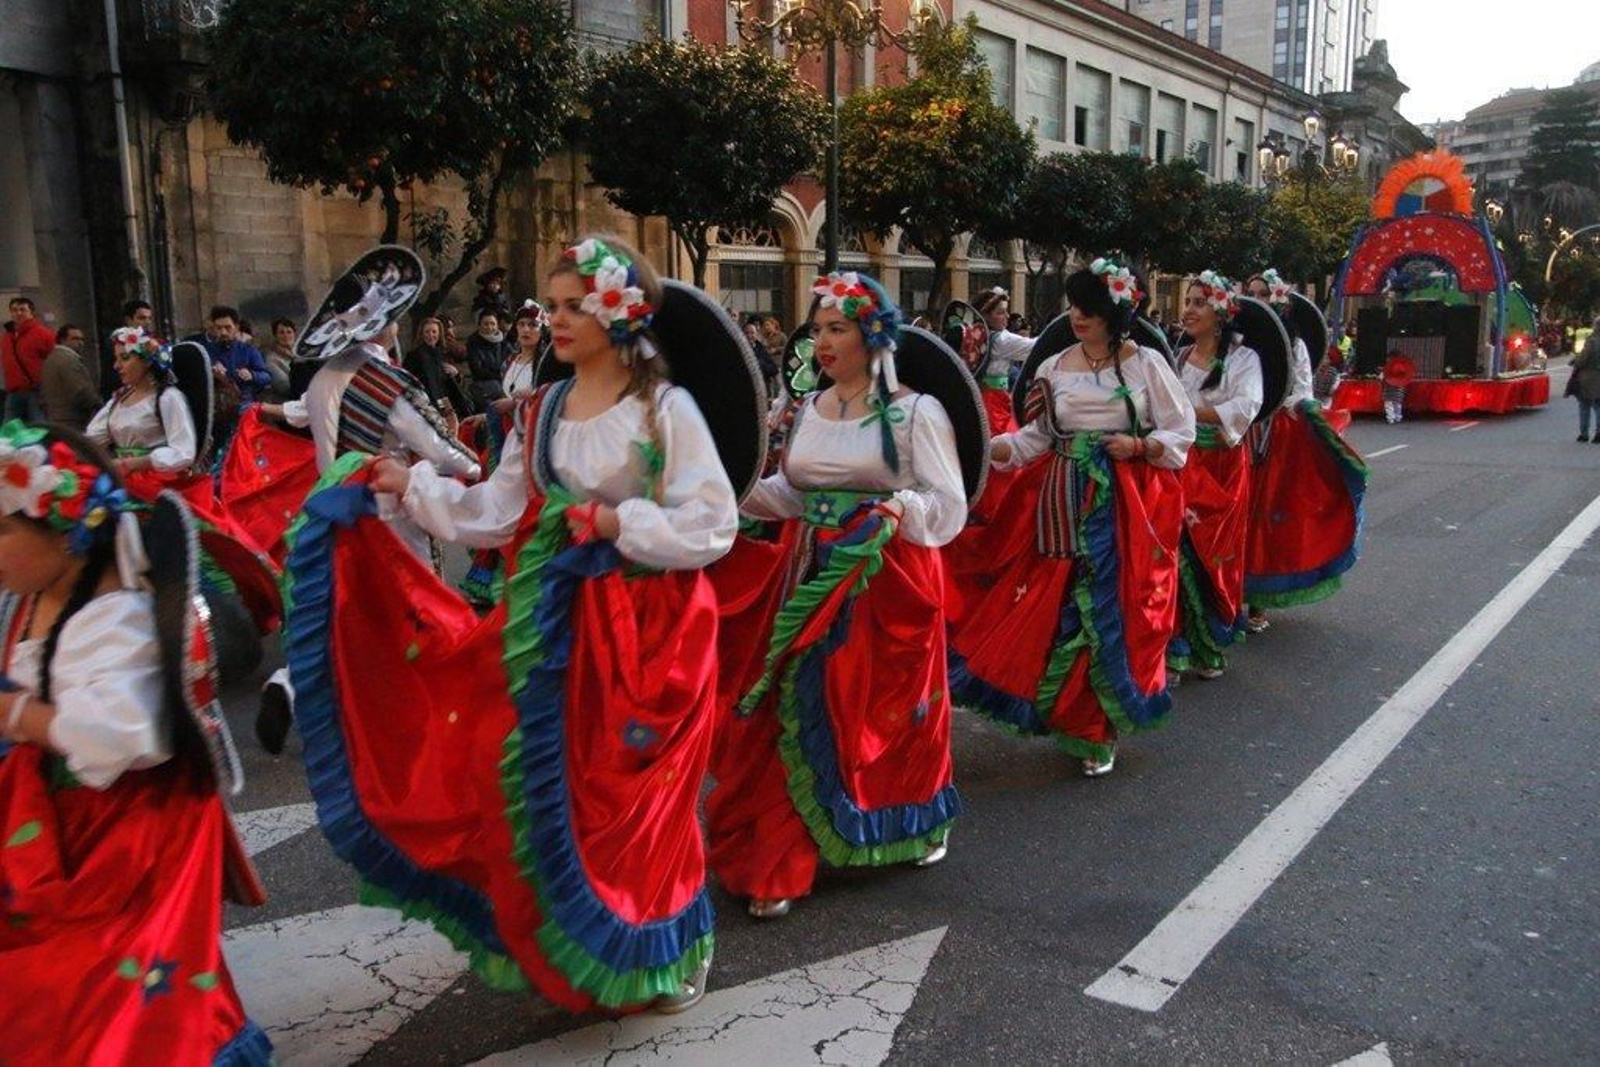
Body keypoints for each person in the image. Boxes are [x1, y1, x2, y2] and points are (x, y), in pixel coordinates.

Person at [300, 235, 740, 1014]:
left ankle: (665, 942)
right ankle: (590, 932)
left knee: (641, 801)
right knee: (559, 787)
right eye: (555, 305)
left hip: (653, 630)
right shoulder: (542, 411)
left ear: (616, 312)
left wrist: (614, 520)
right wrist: (410, 482)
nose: (555, 320)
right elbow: (497, 511)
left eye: (573, 306)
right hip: (556, 626)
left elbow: (713, 522)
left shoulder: (663, 408)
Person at [0, 424, 272, 1063]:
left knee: (103, 991)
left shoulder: (114, 617)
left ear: (65, 532)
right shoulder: (36, 595)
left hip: (122, 838)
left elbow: (127, 735)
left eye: (5, 528)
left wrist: (16, 715)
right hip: (60, 824)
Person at [708, 270, 966, 920]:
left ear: (871, 333)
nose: (821, 340)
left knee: (883, 710)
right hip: (807, 572)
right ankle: (778, 853)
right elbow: (792, 493)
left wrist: (893, 510)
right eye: (818, 327)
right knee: (795, 703)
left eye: (837, 327)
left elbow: (948, 503)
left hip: (887, 578)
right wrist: (727, 493)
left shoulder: (915, 412)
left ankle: (908, 819)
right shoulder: (809, 409)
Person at [946, 260, 1194, 777]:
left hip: (1125, 501)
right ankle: (1069, 713)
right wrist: (986, 448)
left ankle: (1097, 725)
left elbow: (1180, 431)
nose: (1078, 316)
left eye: (1090, 308)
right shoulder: (1053, 366)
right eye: (1075, 305)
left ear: (1114, 313)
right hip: (1059, 498)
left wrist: (1139, 444)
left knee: (1109, 610)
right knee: (1056, 607)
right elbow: (1035, 438)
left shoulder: (1146, 363)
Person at [254, 248, 480, 755]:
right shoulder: (388, 383)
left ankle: (290, 683)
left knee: (341, 611)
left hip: (326, 510)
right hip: (388, 516)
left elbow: (299, 415)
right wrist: (477, 466)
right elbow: (441, 448)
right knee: (413, 611)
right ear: (387, 327)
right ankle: (415, 713)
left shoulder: (324, 379)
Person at [1238, 270, 1369, 624]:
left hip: (1273, 438)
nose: (1256, 299)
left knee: (1263, 517)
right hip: (1235, 434)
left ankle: (1257, 599)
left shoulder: (1291, 345)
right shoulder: (1233, 341)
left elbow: (1300, 391)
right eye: (1250, 293)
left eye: (1262, 294)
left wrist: (1283, 409)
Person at [1169, 272, 1263, 679]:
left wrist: (1187, 414)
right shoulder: (1178, 357)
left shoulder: (1244, 359)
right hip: (1181, 466)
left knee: (1213, 558)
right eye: (1187, 302)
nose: (1188, 310)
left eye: (1197, 303)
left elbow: (1246, 406)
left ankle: (1209, 645)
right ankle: (1174, 646)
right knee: (1175, 554)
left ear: (1221, 312)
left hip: (1222, 467)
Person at [202, 306, 271, 404]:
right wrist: (212, 372)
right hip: (216, 401)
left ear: (236, 327)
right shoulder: (206, 351)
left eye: (228, 327)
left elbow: (266, 376)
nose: (223, 332)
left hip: (244, 400)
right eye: (219, 328)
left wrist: (251, 375)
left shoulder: (248, 350)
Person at [3, 296, 53, 422]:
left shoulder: (43, 334)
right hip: (14, 391)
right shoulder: (7, 336)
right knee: (10, 430)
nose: (18, 313)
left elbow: (53, 361)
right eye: (14, 310)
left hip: (35, 391)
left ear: (31, 313)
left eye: (22, 310)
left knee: (39, 427)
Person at [41, 324, 100, 430]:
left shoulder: (50, 359)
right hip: (72, 420)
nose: (80, 343)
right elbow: (80, 391)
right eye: (75, 339)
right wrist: (99, 405)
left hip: (55, 418)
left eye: (82, 339)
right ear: (63, 340)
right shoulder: (69, 361)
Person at [464, 308, 516, 415]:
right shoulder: (474, 344)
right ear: (479, 325)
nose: (490, 327)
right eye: (486, 324)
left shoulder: (504, 343)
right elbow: (477, 370)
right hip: (486, 389)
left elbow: (514, 361)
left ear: (497, 325)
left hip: (505, 385)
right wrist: (500, 375)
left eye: (493, 324)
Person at [99, 299, 154, 395]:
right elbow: (110, 378)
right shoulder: (118, 343)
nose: (147, 322)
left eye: (149, 318)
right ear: (129, 320)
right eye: (142, 318)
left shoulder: (151, 341)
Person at [1571, 319, 1600, 442]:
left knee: (1584, 405)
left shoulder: (1591, 341)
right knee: (1598, 405)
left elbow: (1582, 359)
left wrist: (1575, 362)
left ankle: (1584, 434)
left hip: (1588, 377)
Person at [262, 317, 297, 402]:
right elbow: (283, 387)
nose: (286, 336)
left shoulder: (302, 355)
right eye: (281, 333)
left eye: (289, 332)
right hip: (286, 403)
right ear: (275, 336)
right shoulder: (271, 360)